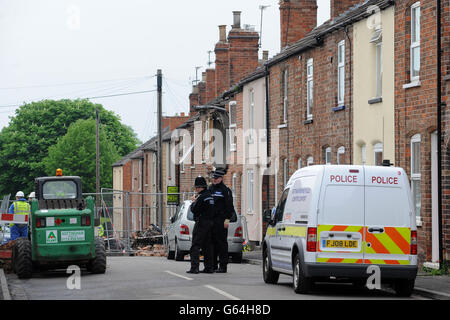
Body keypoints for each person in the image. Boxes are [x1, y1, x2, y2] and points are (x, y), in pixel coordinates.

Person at [187, 176, 215, 274]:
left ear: (199, 187)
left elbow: (195, 210)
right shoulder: (210, 196)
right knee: (207, 246)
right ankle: (209, 267)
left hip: (201, 223)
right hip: (210, 223)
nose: (196, 189)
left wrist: (193, 202)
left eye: (196, 187)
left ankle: (194, 268)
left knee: (195, 245)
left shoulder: (201, 197)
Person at [209, 168, 235, 273]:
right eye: (213, 178)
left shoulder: (225, 190)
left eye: (216, 178)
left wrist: (227, 220)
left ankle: (223, 266)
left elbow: (230, 207)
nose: (214, 180)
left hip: (221, 220)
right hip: (212, 220)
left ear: (221, 178)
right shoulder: (210, 189)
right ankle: (213, 265)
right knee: (212, 243)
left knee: (222, 244)